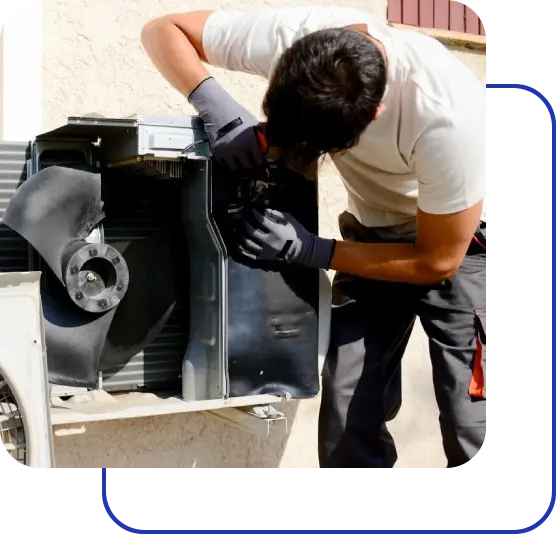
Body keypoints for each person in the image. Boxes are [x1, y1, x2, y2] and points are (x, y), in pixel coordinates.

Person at [141, 5, 488, 472]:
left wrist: (314, 250)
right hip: (371, 234)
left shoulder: (449, 118)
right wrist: (214, 105)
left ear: (373, 115)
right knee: (347, 415)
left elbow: (437, 261)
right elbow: (164, 29)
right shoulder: (300, 38)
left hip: (460, 245)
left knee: (474, 427)